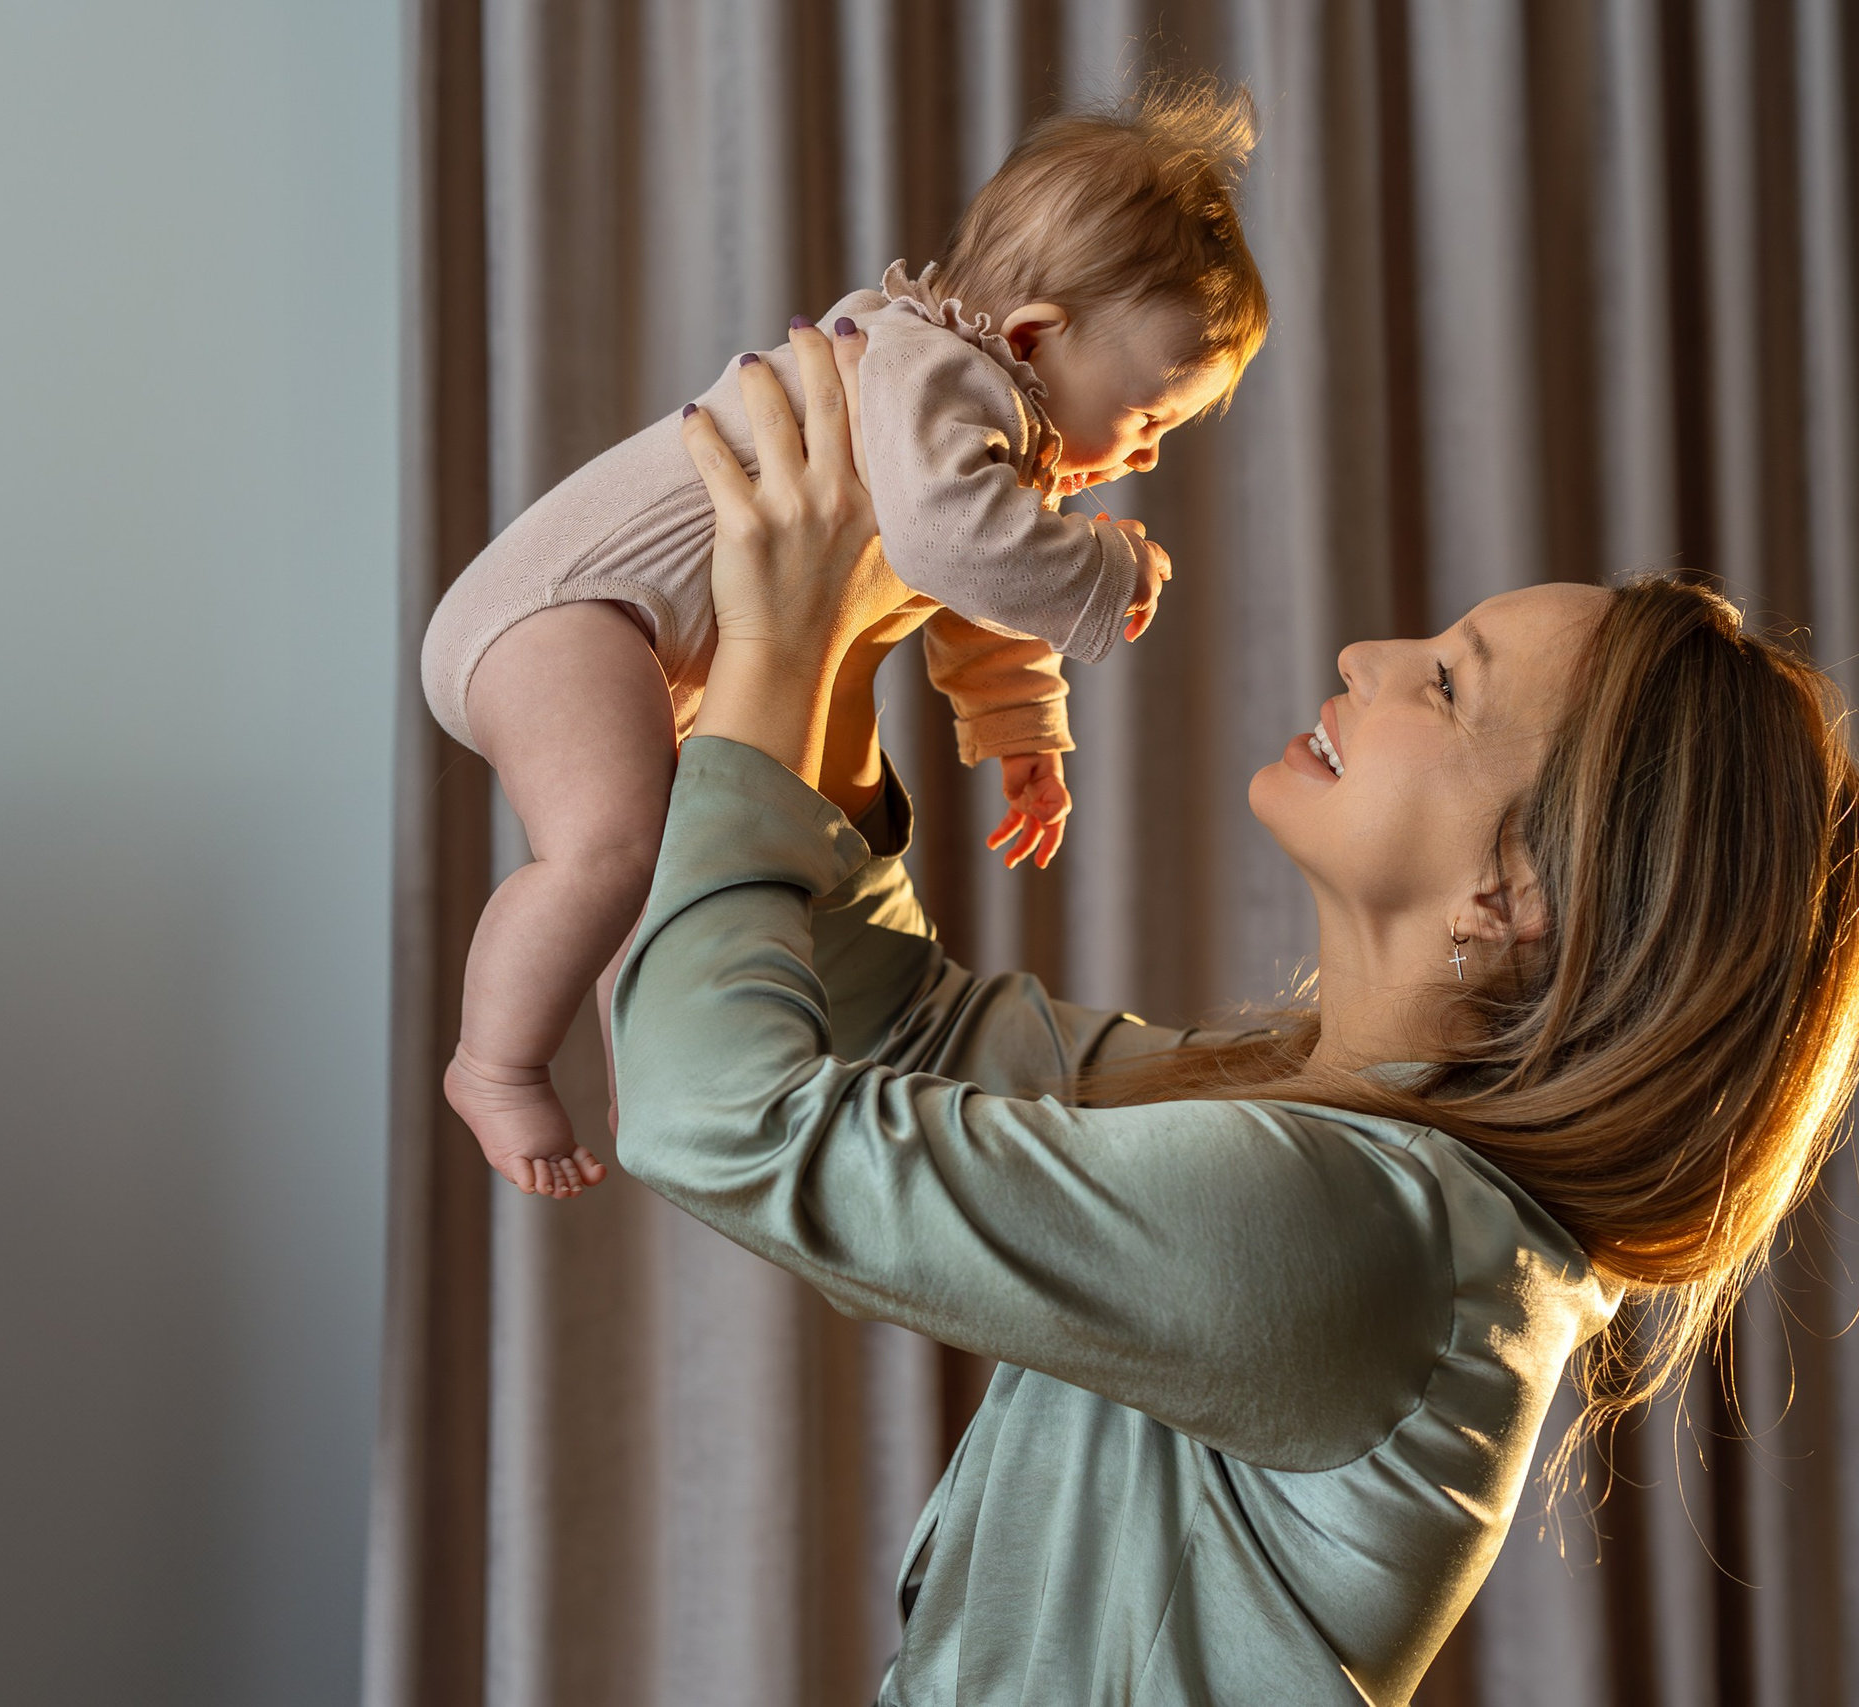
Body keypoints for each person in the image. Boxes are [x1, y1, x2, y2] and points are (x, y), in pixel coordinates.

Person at [616, 325, 1859, 1704]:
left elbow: (721, 1118)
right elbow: (909, 1034)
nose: (1366, 651)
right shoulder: (1320, 1144)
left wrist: (769, 643)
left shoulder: (1355, 1233)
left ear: (1509, 890)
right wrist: (840, 660)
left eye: (1449, 682)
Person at [423, 78, 1268, 1197]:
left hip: (622, 639)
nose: (1150, 452)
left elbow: (972, 589)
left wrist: (1024, 728)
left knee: (680, 866)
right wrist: (1108, 571)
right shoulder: (937, 373)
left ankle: (657, 1070)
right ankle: (495, 1063)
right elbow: (954, 547)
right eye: (1150, 415)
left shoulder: (974, 426)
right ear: (1031, 337)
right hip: (564, 616)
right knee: (612, 849)